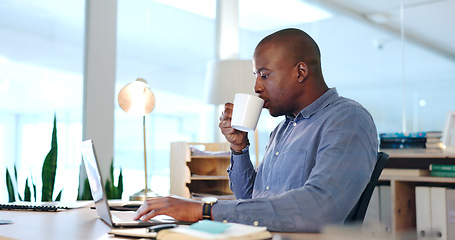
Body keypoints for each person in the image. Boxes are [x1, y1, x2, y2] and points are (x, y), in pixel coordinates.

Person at [134, 28, 379, 232]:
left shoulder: (347, 119)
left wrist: (205, 210)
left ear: (300, 72)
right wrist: (239, 147)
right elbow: (250, 198)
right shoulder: (283, 129)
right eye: (256, 76)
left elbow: (320, 208)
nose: (256, 87)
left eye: (264, 75)